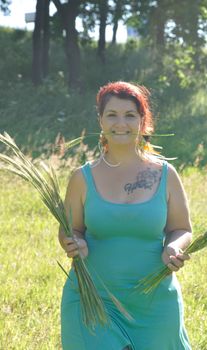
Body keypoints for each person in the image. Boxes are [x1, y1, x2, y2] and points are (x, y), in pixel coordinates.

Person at [59, 81, 192, 350]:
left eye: (130, 115)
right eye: (112, 115)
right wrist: (73, 242)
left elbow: (182, 228)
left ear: (143, 122)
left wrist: (173, 247)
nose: (121, 123)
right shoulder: (82, 178)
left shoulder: (165, 175)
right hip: (94, 300)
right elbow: (70, 230)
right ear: (101, 121)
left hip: (154, 302)